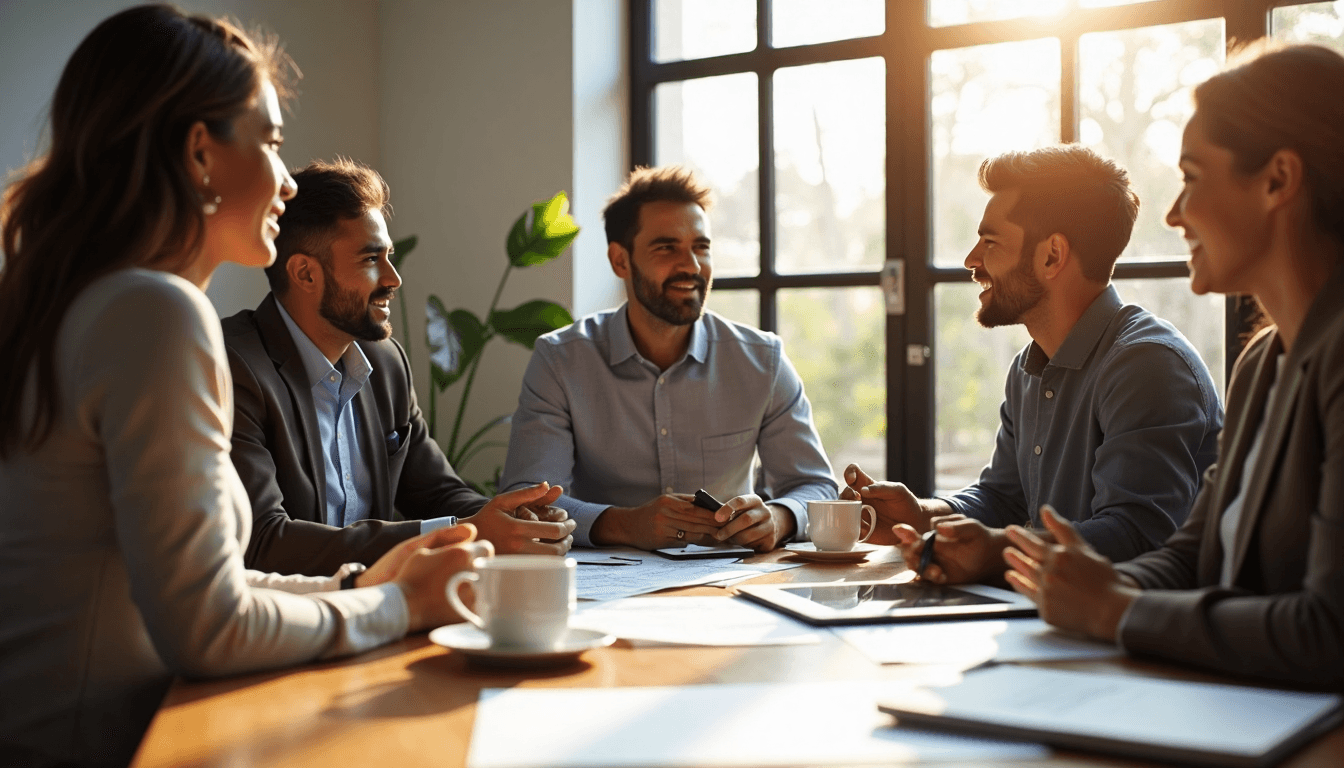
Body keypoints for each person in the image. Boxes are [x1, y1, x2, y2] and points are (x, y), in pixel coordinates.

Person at [0, 8, 489, 766]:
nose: (287, 182)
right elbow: (209, 627)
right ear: (201, 153)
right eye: (269, 142)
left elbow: (205, 586)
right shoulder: (153, 314)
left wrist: (361, 583)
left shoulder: (84, 303)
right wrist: (395, 605)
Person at [999, 43, 1344, 688]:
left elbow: (1330, 632)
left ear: (1277, 180)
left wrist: (1117, 608)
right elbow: (1193, 555)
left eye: (1191, 176)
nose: (1173, 214)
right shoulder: (1265, 362)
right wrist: (1079, 585)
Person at [849, 145, 1222, 585]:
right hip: (1054, 618)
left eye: (990, 242)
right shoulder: (1029, 367)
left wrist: (998, 553)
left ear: (1051, 256)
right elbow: (1003, 498)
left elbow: (1136, 535)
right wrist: (924, 515)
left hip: (1130, 638)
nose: (972, 260)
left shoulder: (1147, 365)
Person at [223, 158, 576, 577]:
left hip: (384, 604)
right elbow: (263, 542)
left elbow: (438, 492)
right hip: (291, 620)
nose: (394, 278)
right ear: (305, 273)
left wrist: (512, 521)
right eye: (371, 259)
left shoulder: (384, 363)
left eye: (389, 256)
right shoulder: (233, 366)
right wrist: (464, 531)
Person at [499, 165, 838, 552]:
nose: (692, 266)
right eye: (667, 248)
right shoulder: (561, 361)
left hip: (731, 584)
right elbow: (529, 498)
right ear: (620, 261)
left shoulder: (763, 361)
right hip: (603, 589)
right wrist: (625, 524)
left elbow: (816, 485)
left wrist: (780, 518)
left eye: (701, 247)